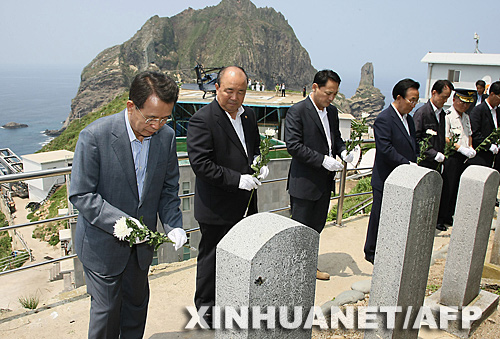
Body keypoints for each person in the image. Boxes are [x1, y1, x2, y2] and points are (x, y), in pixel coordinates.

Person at [69, 71, 187, 338]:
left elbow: (168, 190)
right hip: (102, 247)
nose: (157, 126)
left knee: (136, 309)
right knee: (107, 313)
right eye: (151, 118)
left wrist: (173, 225)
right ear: (131, 106)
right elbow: (81, 194)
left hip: (141, 249)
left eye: (165, 118)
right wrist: (122, 223)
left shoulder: (166, 138)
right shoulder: (94, 137)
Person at [186, 66, 269, 327]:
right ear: (217, 88)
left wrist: (258, 162)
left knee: (240, 257)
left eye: (241, 91)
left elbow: (251, 149)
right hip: (216, 206)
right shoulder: (203, 119)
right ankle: (206, 314)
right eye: (229, 90)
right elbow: (201, 164)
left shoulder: (249, 116)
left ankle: (233, 304)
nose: (235, 97)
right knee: (211, 261)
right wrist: (237, 179)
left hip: (245, 204)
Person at [285, 69, 353, 280]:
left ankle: (308, 267)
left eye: (335, 94)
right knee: (300, 230)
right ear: (315, 87)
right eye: (328, 93)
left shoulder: (331, 112)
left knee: (316, 227)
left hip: (324, 182)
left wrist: (343, 152)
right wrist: (322, 160)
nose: (331, 98)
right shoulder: (298, 111)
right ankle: (294, 271)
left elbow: (335, 138)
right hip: (304, 182)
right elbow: (293, 146)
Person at [364, 78, 420, 264]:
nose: (413, 104)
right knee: (379, 216)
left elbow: (413, 143)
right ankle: (371, 251)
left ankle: (387, 247)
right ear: (399, 97)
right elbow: (385, 149)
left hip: (403, 177)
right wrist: (406, 163)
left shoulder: (409, 120)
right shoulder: (384, 118)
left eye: (416, 101)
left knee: (395, 216)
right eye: (411, 100)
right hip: (386, 176)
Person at [437, 89, 477, 231]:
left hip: (464, 157)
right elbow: (446, 138)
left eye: (467, 103)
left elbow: (469, 134)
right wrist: (460, 148)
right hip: (452, 156)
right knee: (448, 187)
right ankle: (440, 218)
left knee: (457, 188)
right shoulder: (448, 116)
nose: (464, 106)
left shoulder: (466, 117)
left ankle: (449, 215)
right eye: (462, 102)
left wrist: (470, 147)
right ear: (454, 100)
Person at [413, 79, 453, 170]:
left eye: (447, 98)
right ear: (434, 93)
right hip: (424, 162)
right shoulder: (422, 113)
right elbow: (416, 139)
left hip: (437, 163)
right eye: (443, 97)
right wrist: (433, 154)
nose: (445, 101)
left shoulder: (442, 114)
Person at [469, 81, 500, 169]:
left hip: (495, 158)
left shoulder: (498, 111)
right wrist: (489, 146)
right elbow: (475, 133)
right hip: (481, 157)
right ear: (492, 94)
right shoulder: (478, 111)